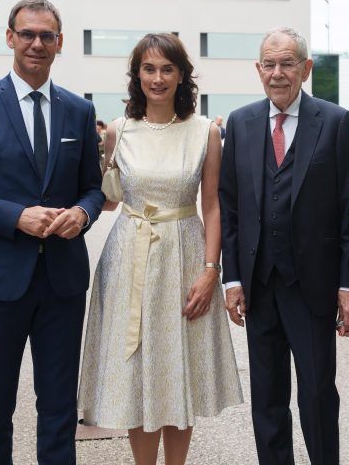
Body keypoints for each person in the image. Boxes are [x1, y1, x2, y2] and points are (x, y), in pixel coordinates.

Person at [0, 0, 105, 465]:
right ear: (10, 37)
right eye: (27, 34)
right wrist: (16, 216)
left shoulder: (79, 110)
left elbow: (93, 188)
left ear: (60, 43)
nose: (36, 43)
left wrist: (83, 213)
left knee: (59, 410)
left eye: (46, 36)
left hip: (62, 283)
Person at [78, 33, 242, 465]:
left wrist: (211, 269)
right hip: (127, 256)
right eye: (148, 69)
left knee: (175, 368)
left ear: (182, 75)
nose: (157, 78)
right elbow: (108, 197)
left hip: (183, 255)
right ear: (136, 75)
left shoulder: (205, 132)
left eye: (167, 69)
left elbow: (212, 204)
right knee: (135, 372)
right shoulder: (118, 131)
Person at [219, 26, 349, 465]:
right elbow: (230, 208)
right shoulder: (240, 122)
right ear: (258, 69)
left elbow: (348, 210)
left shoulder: (335, 121)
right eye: (269, 64)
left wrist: (348, 284)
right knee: (267, 397)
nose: (277, 73)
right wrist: (232, 279)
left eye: (287, 63)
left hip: (312, 285)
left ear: (306, 68)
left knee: (318, 393)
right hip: (258, 284)